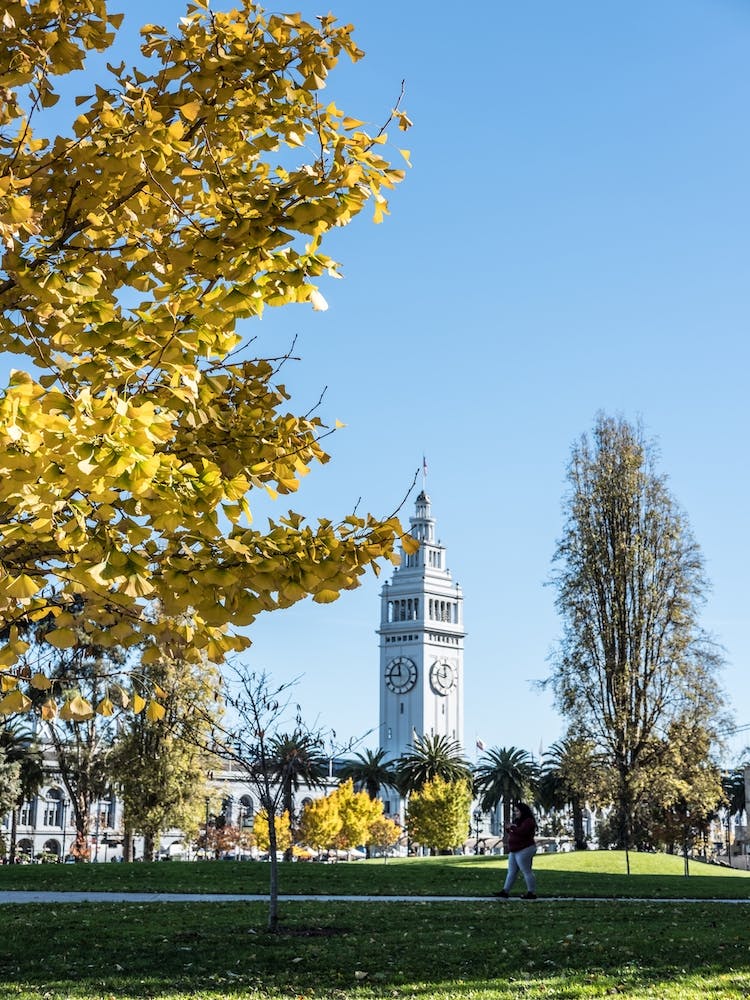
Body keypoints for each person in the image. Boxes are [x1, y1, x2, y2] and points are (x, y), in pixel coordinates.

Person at [493, 802, 537, 899]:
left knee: (526, 871)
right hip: (515, 850)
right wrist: (509, 829)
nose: (515, 813)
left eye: (517, 811)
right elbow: (515, 834)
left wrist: (512, 827)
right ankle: (505, 891)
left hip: (525, 848)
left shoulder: (528, 821)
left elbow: (522, 832)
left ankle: (531, 892)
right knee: (511, 871)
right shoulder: (518, 821)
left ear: (523, 811)